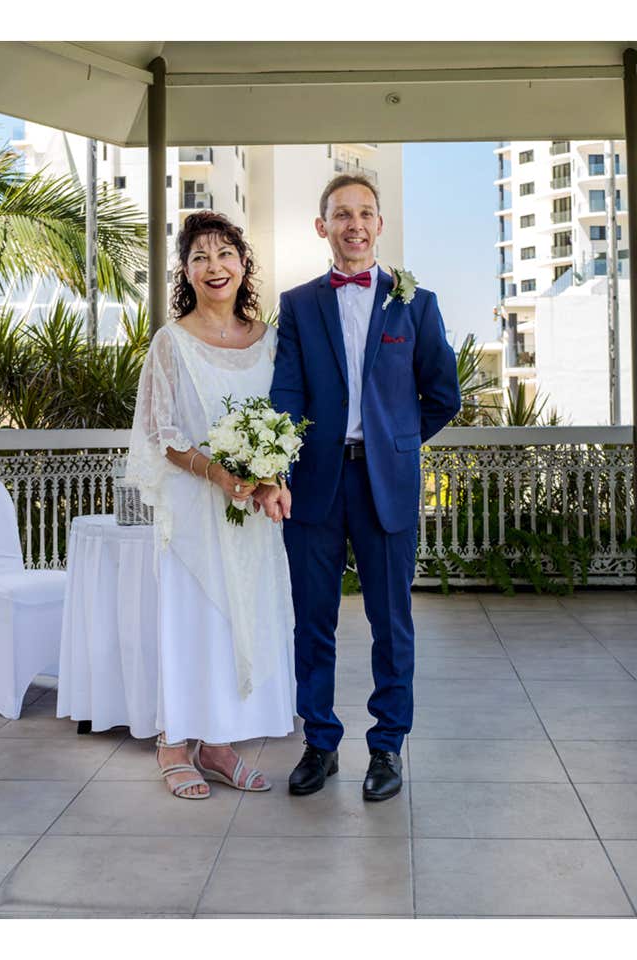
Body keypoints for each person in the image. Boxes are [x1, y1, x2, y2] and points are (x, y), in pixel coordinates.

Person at [266, 172, 459, 803]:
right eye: (342, 214)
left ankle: (387, 746)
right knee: (312, 621)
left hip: (387, 483)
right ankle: (319, 742)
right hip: (314, 483)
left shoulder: (415, 303)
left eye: (365, 213)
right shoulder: (298, 304)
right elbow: (287, 392)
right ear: (322, 226)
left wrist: (395, 442)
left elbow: (443, 395)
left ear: (380, 224)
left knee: (391, 622)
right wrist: (278, 466)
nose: (355, 224)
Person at [115, 211, 295, 798]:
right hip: (194, 505)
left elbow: (285, 420)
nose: (214, 267)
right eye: (199, 258)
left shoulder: (270, 340)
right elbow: (161, 431)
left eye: (224, 255)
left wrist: (268, 476)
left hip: (252, 515)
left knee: (239, 623)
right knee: (194, 623)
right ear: (186, 273)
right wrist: (217, 473)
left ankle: (218, 744)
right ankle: (173, 743)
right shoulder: (171, 343)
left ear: (243, 265)